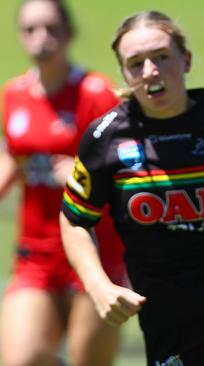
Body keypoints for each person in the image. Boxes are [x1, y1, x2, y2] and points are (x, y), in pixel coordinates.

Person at [59, 10, 204, 366]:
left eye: (162, 56)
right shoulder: (105, 138)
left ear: (186, 59)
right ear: (123, 73)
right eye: (136, 63)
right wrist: (98, 286)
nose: (151, 70)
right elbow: (74, 218)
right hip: (165, 316)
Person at [0, 0, 127, 365]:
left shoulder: (95, 93)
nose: (42, 38)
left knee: (89, 360)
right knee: (22, 358)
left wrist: (81, 172)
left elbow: (125, 170)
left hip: (95, 252)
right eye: (30, 30)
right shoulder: (14, 94)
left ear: (68, 33)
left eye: (51, 28)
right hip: (35, 253)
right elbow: (14, 154)